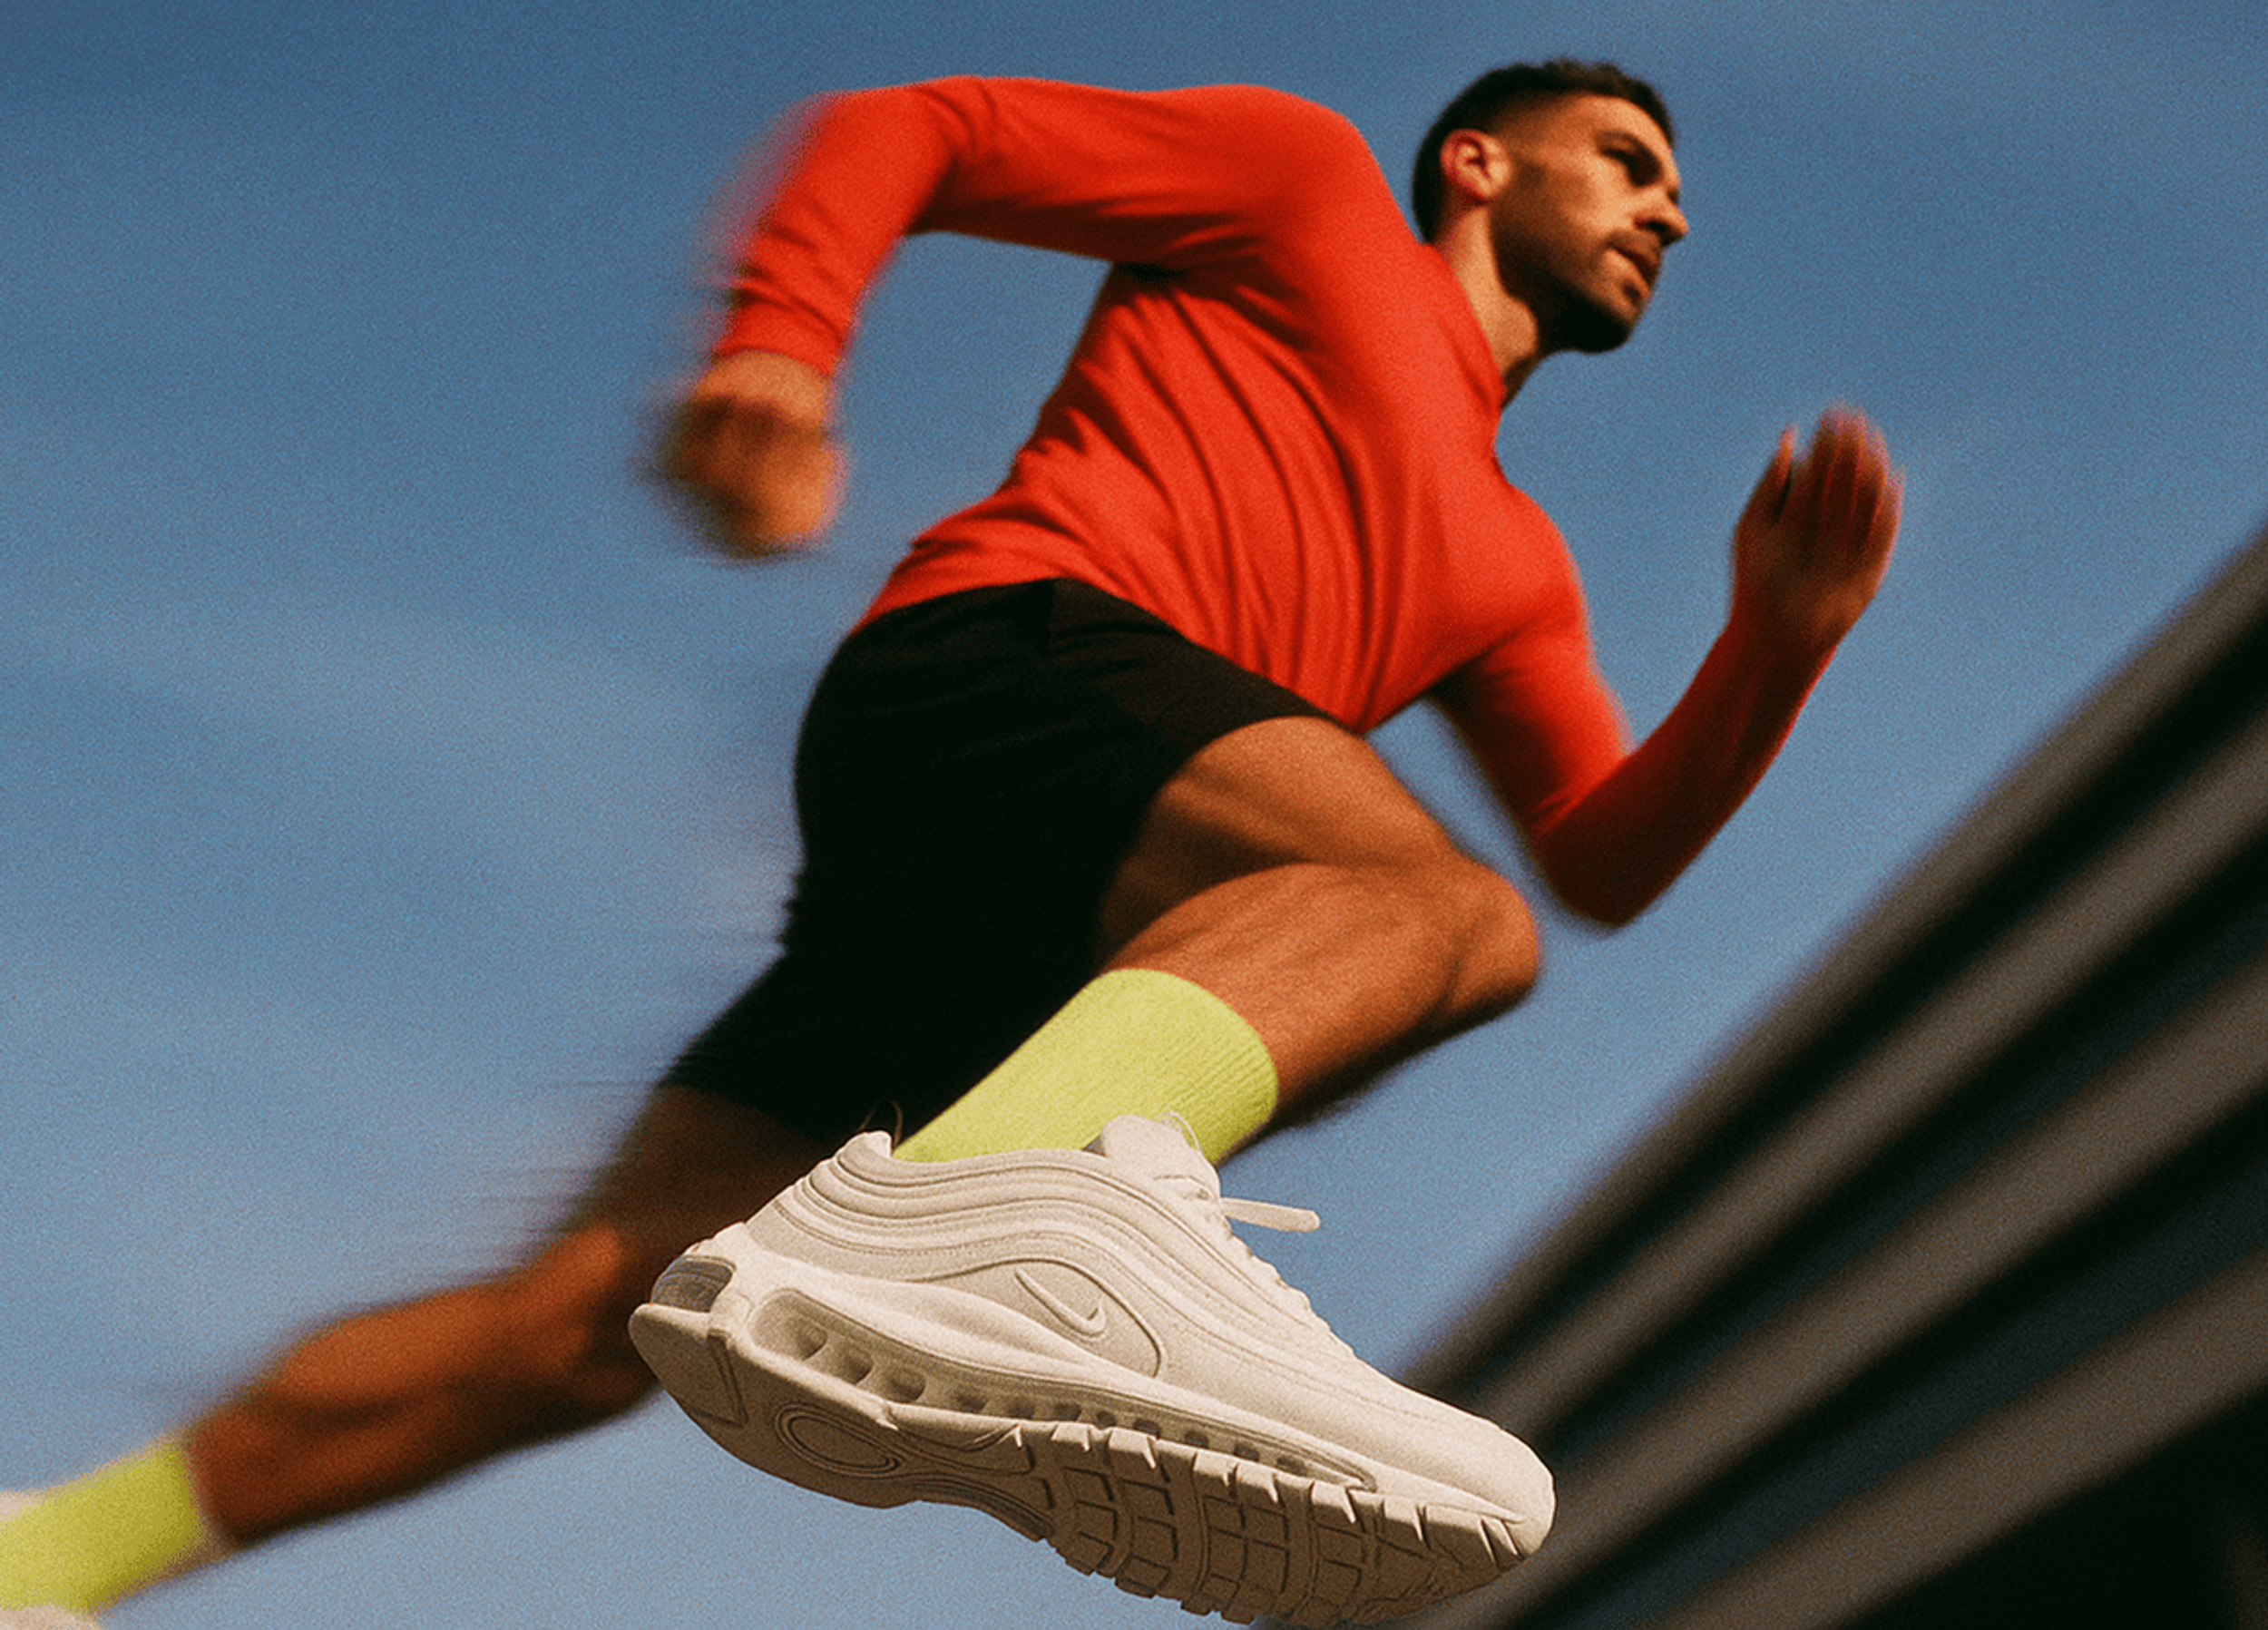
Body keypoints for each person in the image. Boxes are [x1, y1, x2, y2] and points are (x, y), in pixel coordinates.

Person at [0, 60, 1900, 1625]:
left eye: (1668, 196)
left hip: (1053, 921)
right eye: (1626, 166)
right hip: (1005, 663)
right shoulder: (1302, 183)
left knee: (588, 1323)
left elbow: (1599, 851)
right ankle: (985, 1206)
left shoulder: (1513, 564)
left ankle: (46, 1559)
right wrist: (780, 345)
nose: (1662, 212)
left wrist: (1770, 646)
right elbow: (926, 125)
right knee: (1431, 911)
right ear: (1479, 165)